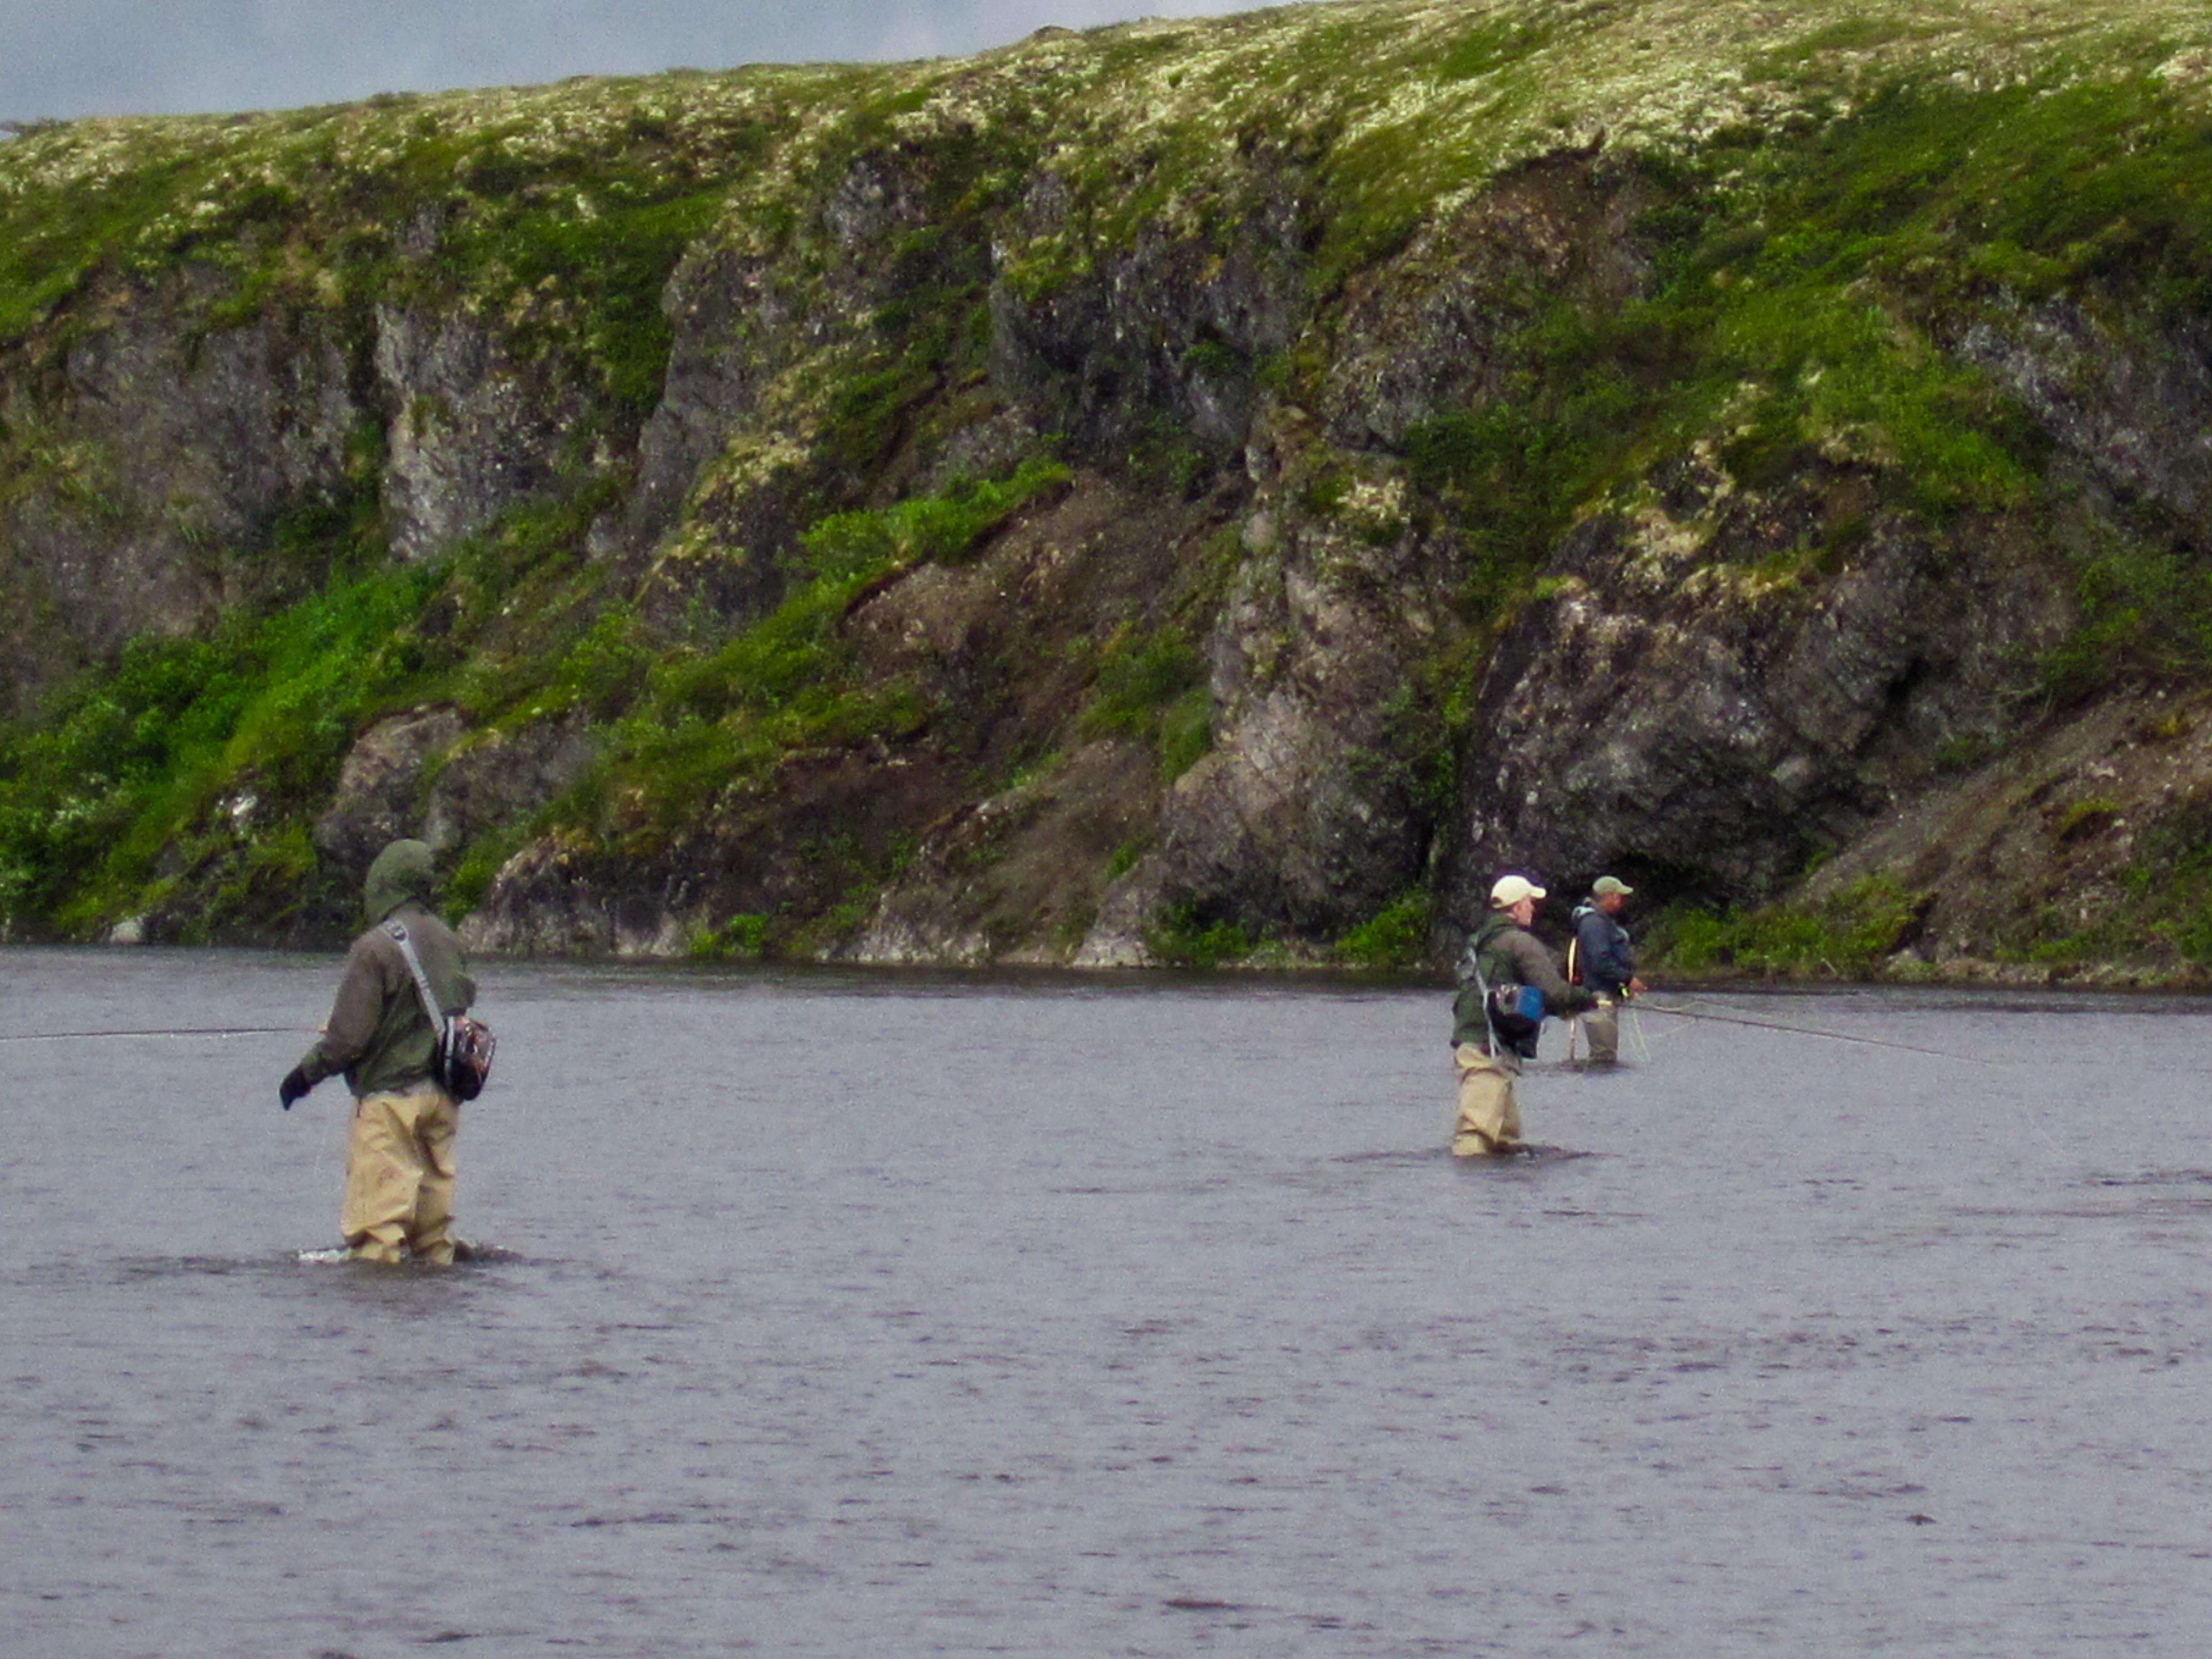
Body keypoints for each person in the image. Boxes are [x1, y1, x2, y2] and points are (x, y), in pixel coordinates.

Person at [279, 839, 478, 1264]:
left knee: (379, 1234)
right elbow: (448, 1009)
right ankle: (434, 1315)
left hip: (390, 1104)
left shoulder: (374, 947)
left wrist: (303, 1076)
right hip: (442, 1100)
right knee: (433, 1236)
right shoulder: (448, 940)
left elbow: (348, 1040)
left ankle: (379, 1323)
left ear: (384, 884)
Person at [1451, 874, 1593, 1156]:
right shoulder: (1520, 943)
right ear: (1516, 908)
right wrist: (1590, 999)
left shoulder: (1478, 942)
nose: (1533, 908)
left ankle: (1500, 1192)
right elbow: (1554, 994)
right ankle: (1471, 1197)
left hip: (1474, 1041)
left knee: (1506, 1139)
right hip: (1489, 1047)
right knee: (1474, 1138)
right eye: (1530, 902)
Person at [1569, 875, 1648, 1065]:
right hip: (1598, 999)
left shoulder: (1602, 922)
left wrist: (1622, 988)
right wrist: (1628, 979)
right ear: (1609, 896)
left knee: (1606, 1056)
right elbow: (1600, 962)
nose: (1621, 900)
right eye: (1619, 896)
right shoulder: (1594, 924)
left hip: (1606, 996)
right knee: (1603, 1059)